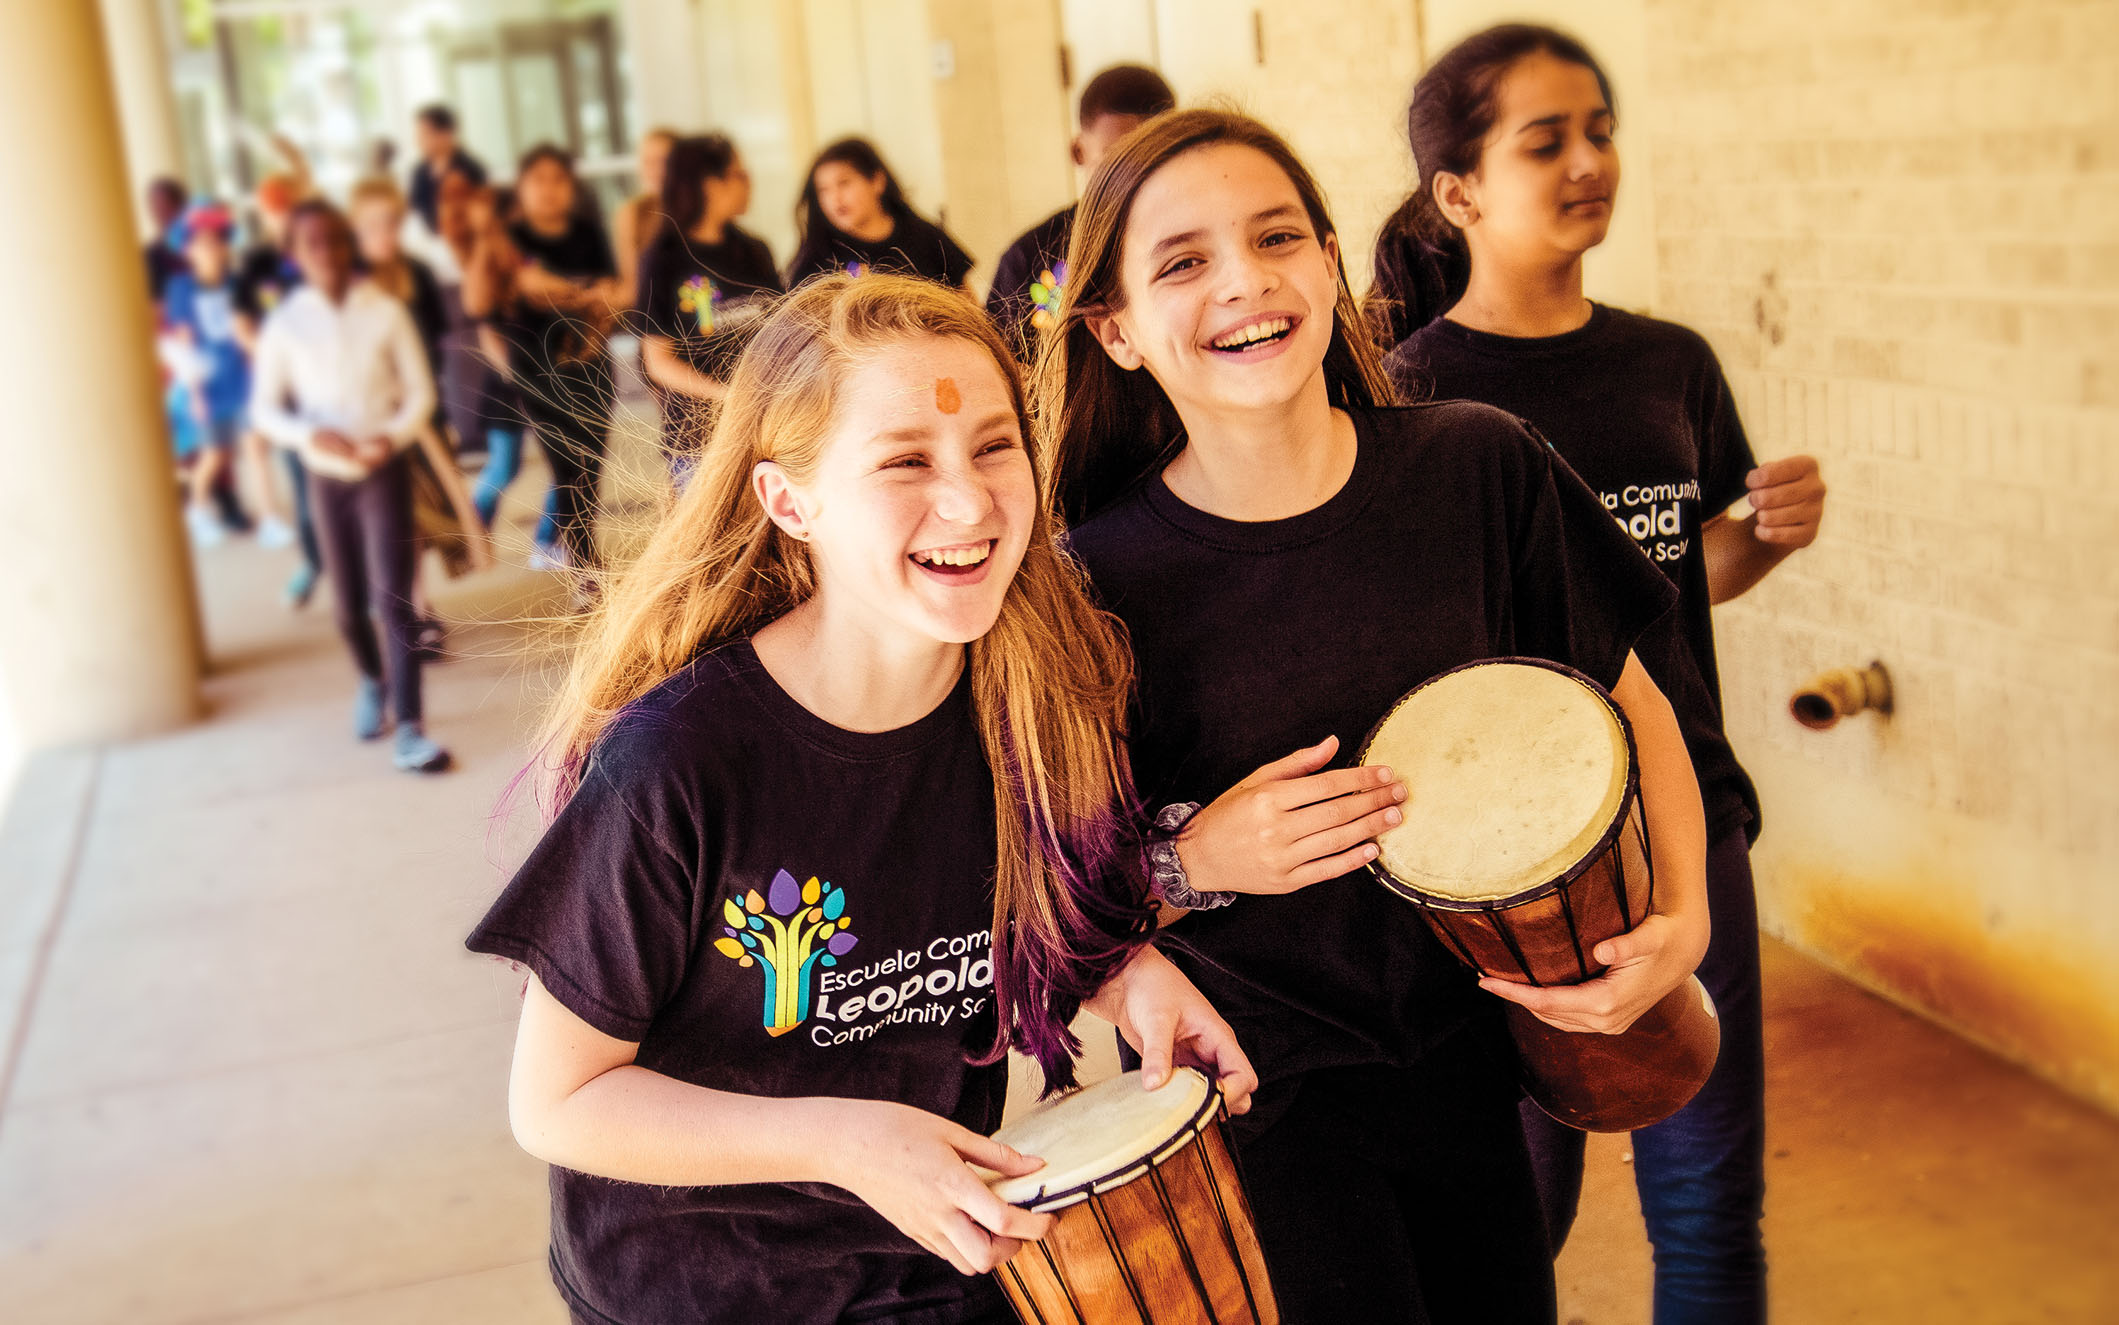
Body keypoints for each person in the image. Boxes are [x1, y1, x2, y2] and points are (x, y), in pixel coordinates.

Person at [466, 273, 1256, 1323]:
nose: (969, 500)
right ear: (790, 500)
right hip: (696, 1292)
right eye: (903, 461)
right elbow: (556, 1101)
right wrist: (843, 1137)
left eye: (992, 445)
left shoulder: (1029, 707)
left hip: (934, 1264)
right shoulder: (679, 761)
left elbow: (1007, 916)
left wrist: (1124, 973)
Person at [1039, 108, 1712, 1323]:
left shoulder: (1475, 465)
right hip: (1259, 1098)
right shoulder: (1089, 582)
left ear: (1330, 261)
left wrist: (1684, 914)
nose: (1245, 280)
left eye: (1277, 236)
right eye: (1183, 261)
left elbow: (1633, 703)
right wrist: (1196, 859)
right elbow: (1045, 894)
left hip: (1471, 1063)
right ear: (1116, 330)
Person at [1368, 26, 1826, 1324]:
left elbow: (1686, 577)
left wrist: (1764, 537)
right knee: (1517, 1228)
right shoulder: (1406, 397)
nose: (1587, 161)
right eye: (1544, 139)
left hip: (1688, 825)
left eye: (1600, 129)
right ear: (1455, 193)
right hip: (1503, 872)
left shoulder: (1667, 361)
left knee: (1704, 1208)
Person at [250, 200, 450, 774]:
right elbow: (265, 410)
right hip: (324, 474)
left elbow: (421, 392)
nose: (329, 253)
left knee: (395, 599)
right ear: (295, 255)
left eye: (337, 240)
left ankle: (411, 726)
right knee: (346, 608)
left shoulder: (384, 310)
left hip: (381, 469)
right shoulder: (286, 324)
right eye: (314, 244)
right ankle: (370, 679)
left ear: (350, 246)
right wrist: (311, 434)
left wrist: (391, 436)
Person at [986, 64, 1174, 361]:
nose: (1133, 177)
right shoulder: (1029, 257)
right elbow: (1005, 366)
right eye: (1114, 160)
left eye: (1155, 157)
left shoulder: (1190, 242)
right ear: (1078, 151)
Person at [500, 144, 626, 578]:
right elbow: (528, 286)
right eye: (538, 179)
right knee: (564, 464)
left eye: (559, 179)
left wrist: (590, 307)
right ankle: (585, 565)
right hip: (537, 369)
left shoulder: (588, 233)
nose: (549, 189)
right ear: (521, 187)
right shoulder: (511, 238)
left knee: (591, 464)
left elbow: (613, 292)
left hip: (591, 364)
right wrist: (584, 295)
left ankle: (581, 553)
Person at [634, 133, 782, 487]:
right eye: (739, 175)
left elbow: (783, 329)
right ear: (710, 184)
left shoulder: (754, 251)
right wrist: (729, 397)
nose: (749, 184)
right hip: (697, 443)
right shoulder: (663, 259)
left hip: (763, 431)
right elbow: (658, 361)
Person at [236, 172, 325, 605]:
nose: (282, 217)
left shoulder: (319, 250)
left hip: (334, 388)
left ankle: (364, 579)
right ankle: (313, 562)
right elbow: (243, 326)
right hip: (290, 397)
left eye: (288, 206)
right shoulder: (256, 263)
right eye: (274, 209)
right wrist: (280, 362)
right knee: (306, 490)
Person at [160, 203, 260, 545]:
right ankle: (197, 509)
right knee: (214, 452)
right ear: (187, 249)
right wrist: (196, 393)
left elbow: (246, 327)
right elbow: (185, 343)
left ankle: (255, 513)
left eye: (216, 240)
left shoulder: (236, 281)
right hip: (206, 383)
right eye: (201, 243)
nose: (210, 249)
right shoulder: (181, 288)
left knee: (234, 449)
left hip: (238, 377)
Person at [785, 138, 974, 295]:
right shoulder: (817, 257)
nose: (835, 198)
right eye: (823, 190)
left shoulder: (925, 236)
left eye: (844, 183)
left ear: (877, 181)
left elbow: (968, 303)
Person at [610, 126, 677, 299]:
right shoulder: (630, 213)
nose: (655, 170)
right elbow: (633, 284)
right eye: (647, 162)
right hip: (648, 309)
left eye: (663, 161)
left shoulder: (698, 210)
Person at [407, 104, 488, 234]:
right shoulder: (419, 172)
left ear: (446, 134)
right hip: (431, 242)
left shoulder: (471, 169)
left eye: (424, 134)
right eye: (417, 135)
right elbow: (414, 209)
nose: (418, 141)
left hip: (465, 240)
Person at [143, 176, 190, 306]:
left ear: (180, 205)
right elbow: (154, 299)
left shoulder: (198, 246)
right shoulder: (151, 254)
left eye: (164, 204)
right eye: (153, 205)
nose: (158, 211)